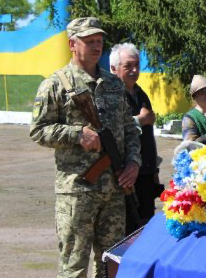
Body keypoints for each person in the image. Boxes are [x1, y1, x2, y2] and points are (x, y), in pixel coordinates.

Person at [30, 17, 141, 278]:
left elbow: (129, 128)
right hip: (77, 191)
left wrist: (134, 162)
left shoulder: (114, 84)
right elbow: (38, 130)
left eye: (99, 41)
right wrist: (77, 134)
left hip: (114, 188)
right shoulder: (56, 84)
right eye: (89, 41)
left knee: (111, 264)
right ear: (72, 44)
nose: (96, 46)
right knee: (74, 266)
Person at [110, 43, 164, 235]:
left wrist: (154, 169)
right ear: (114, 68)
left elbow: (149, 138)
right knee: (127, 231)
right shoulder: (111, 95)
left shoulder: (140, 93)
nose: (134, 70)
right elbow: (111, 129)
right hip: (125, 174)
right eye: (128, 66)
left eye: (137, 65)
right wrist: (140, 120)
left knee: (146, 228)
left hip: (146, 173)